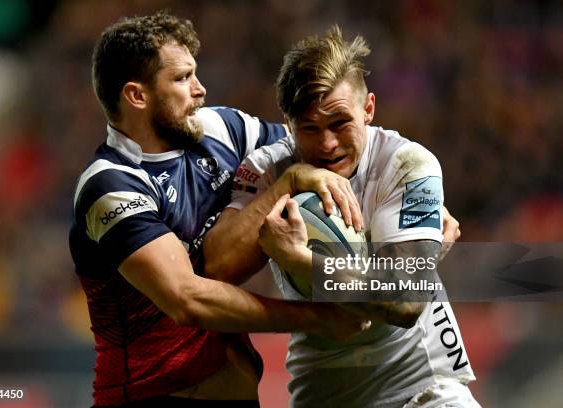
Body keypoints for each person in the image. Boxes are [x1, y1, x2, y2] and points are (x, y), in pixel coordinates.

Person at [69, 12, 374, 407]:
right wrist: (315, 320)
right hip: (152, 395)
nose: (200, 89)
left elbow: (322, 146)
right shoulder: (111, 184)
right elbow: (187, 299)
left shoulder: (219, 129)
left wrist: (412, 190)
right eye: (181, 79)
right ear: (137, 96)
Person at [204, 26, 478, 407]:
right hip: (323, 387)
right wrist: (288, 184)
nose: (328, 144)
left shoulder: (408, 164)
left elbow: (405, 302)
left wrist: (300, 260)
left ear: (368, 109)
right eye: (310, 129)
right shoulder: (269, 170)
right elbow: (216, 267)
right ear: (288, 123)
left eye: (340, 124)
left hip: (420, 386)